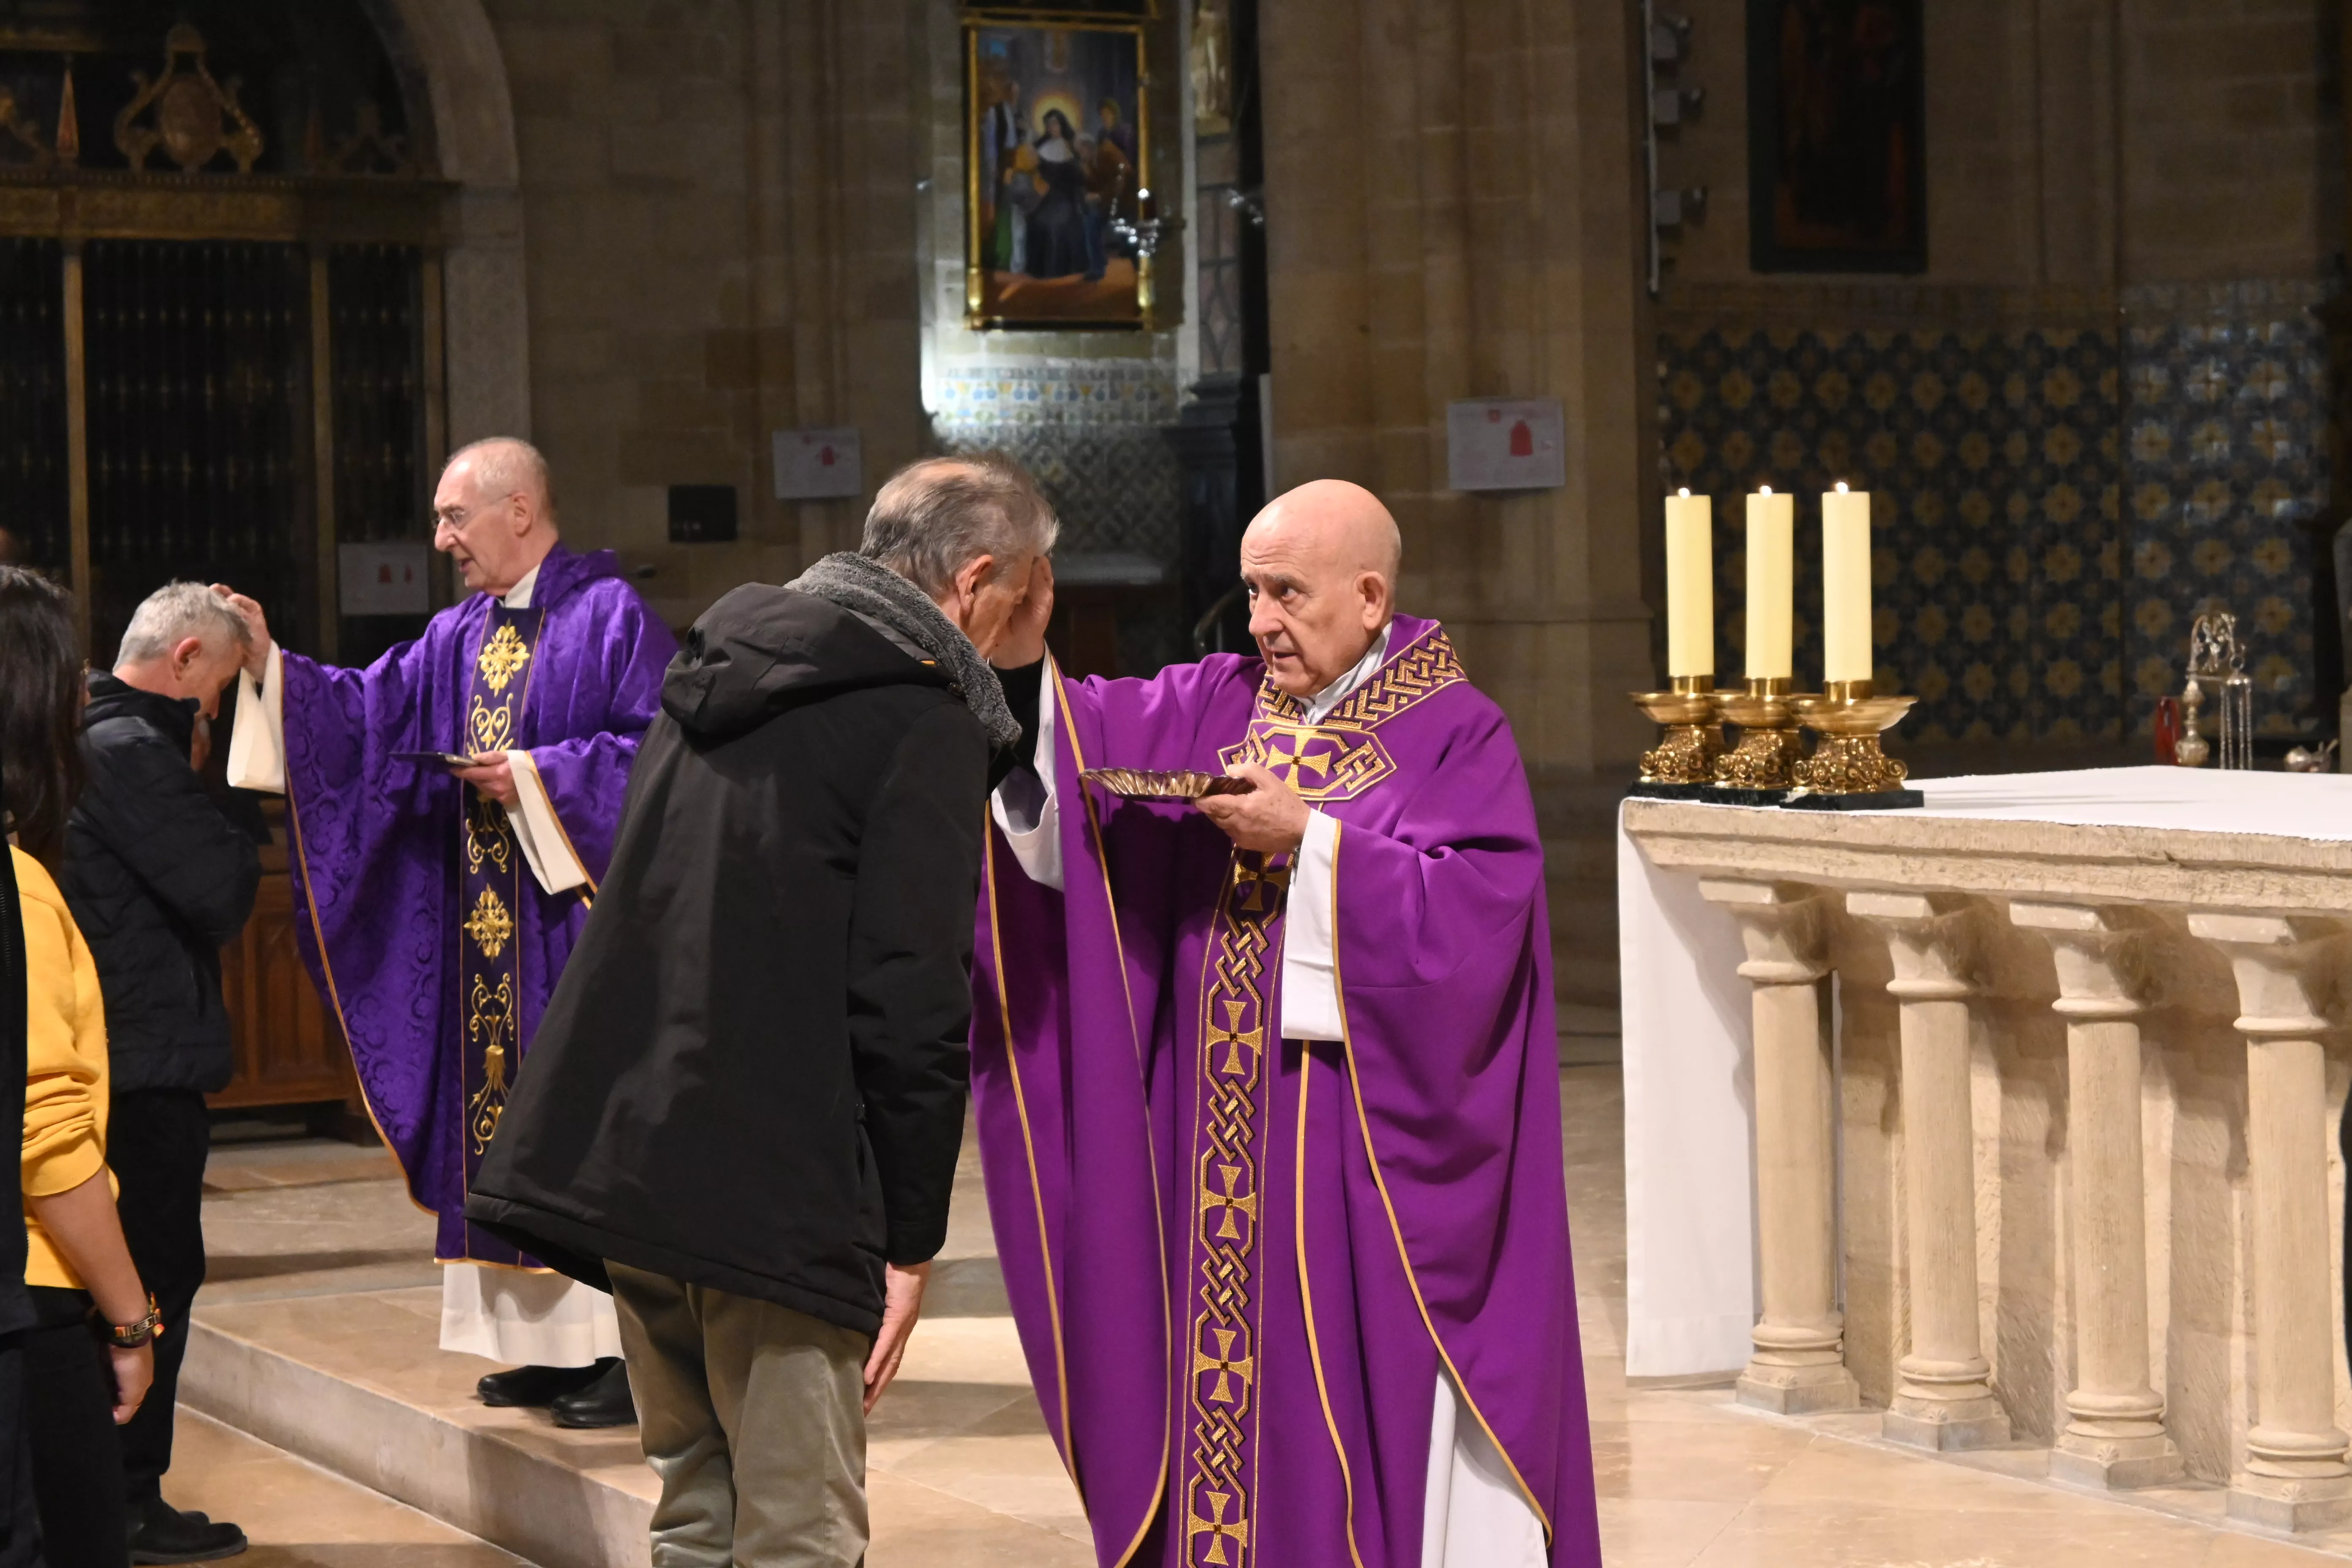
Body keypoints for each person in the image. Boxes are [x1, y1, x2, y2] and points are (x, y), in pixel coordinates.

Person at [974, 480, 1601, 1566]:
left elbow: (1478, 927)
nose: (1259, 618)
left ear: (1369, 597)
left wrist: (1311, 841)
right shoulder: (1219, 699)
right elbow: (1075, 754)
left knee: (1349, 1421)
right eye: (1252, 590)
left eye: (1286, 593)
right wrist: (1026, 664)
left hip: (1357, 1160)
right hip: (1215, 1144)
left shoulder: (1457, 734)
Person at [464, 455, 1052, 1567]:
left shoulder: (718, 663)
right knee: (797, 1533)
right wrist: (912, 1238)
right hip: (776, 1184)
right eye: (1031, 586)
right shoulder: (918, 716)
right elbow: (911, 998)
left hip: (632, 1153)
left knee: (697, 1511)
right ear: (979, 579)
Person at [218, 438, 674, 1429]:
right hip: (485, 939)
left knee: (583, 1133)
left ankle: (628, 1356)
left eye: (455, 518)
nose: (441, 540)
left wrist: (540, 778)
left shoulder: (610, 616)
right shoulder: (459, 634)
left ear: (519, 508)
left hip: (575, 936)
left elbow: (664, 754)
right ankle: (547, 1349)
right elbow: (369, 715)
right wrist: (274, 665)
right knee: (508, 1134)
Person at [62, 583, 260, 1563]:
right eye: (218, 687)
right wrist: (218, 782)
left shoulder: (87, 736)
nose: (215, 712)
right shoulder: (131, 753)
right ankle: (129, 1497)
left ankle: (117, 1491)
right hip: (140, 1066)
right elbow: (223, 889)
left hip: (123, 1052)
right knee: (151, 1279)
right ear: (185, 658)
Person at [2, 565, 160, 1568]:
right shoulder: (16, 890)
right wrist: (132, 1315)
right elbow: (45, 1135)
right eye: (73, 686)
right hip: (26, 1308)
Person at [1022, 109, 1090, 280]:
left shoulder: (1071, 147)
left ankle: (1058, 271)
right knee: (1038, 222)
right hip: (1047, 198)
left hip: (1067, 200)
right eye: (1049, 124)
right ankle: (1040, 271)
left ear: (1062, 125)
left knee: (1057, 224)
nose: (1052, 127)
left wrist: (1074, 158)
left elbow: (1081, 179)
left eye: (1055, 123)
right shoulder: (1041, 148)